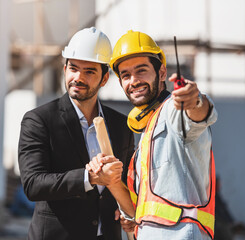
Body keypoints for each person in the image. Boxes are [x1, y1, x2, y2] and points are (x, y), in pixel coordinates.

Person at [87, 30, 218, 240]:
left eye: (141, 71)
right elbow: (137, 212)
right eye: (126, 75)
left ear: (162, 73)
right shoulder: (147, 133)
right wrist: (110, 181)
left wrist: (195, 100)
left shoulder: (173, 110)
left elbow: (197, 114)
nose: (134, 81)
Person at [18, 27, 135, 240]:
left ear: (104, 78)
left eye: (89, 71)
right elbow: (33, 184)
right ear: (64, 69)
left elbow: (128, 184)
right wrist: (88, 178)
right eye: (73, 68)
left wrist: (126, 212)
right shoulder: (39, 120)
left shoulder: (121, 125)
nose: (78, 77)